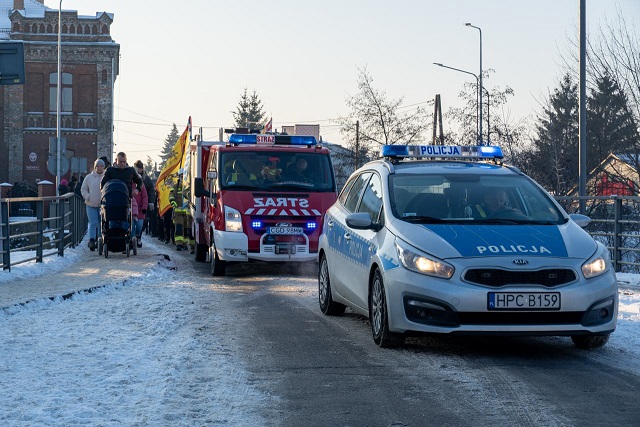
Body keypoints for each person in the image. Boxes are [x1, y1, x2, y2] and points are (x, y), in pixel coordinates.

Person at [81, 158, 106, 251]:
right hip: (91, 204)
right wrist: (88, 196)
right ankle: (92, 240)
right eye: (98, 166)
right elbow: (83, 189)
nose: (99, 168)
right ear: (95, 167)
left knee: (101, 223)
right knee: (93, 223)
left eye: (101, 166)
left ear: (103, 167)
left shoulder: (106, 177)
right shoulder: (89, 178)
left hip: (102, 205)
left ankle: (100, 240)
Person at [134, 160, 156, 235]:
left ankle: (139, 235)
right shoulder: (131, 177)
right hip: (133, 203)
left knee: (142, 223)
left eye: (140, 168)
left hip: (143, 204)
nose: (139, 170)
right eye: (137, 168)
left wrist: (151, 202)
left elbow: (151, 191)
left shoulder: (146, 179)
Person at [131, 176, 148, 248]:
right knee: (131, 226)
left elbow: (145, 197)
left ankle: (138, 237)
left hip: (140, 210)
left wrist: (144, 207)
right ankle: (132, 240)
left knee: (139, 226)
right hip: (131, 209)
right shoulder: (128, 184)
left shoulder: (141, 186)